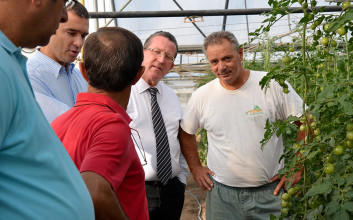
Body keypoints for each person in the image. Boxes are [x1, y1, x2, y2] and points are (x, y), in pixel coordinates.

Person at [179, 31, 304, 219]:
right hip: (222, 196)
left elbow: (306, 121)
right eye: (214, 62)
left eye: (227, 58)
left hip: (270, 193)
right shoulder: (202, 96)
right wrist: (195, 167)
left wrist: (297, 166)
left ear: (241, 54)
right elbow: (186, 132)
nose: (221, 67)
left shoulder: (272, 85)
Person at [0, 0, 94, 219]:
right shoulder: (16, 70)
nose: (62, 15)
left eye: (83, 36)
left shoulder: (13, 63)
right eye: (60, 4)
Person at [51, 27, 149, 220]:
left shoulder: (59, 122)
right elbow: (94, 191)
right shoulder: (112, 125)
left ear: (83, 71)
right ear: (138, 75)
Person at [126, 31, 188, 220]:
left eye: (168, 56)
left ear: (171, 66)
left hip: (173, 189)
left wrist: (182, 178)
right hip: (137, 190)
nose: (161, 60)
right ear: (142, 53)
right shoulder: (124, 91)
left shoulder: (171, 96)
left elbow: (178, 137)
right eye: (156, 51)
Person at [27, 1, 89, 123]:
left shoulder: (81, 76)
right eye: (71, 33)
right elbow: (68, 126)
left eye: (83, 36)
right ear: (52, 26)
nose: (79, 43)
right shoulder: (29, 76)